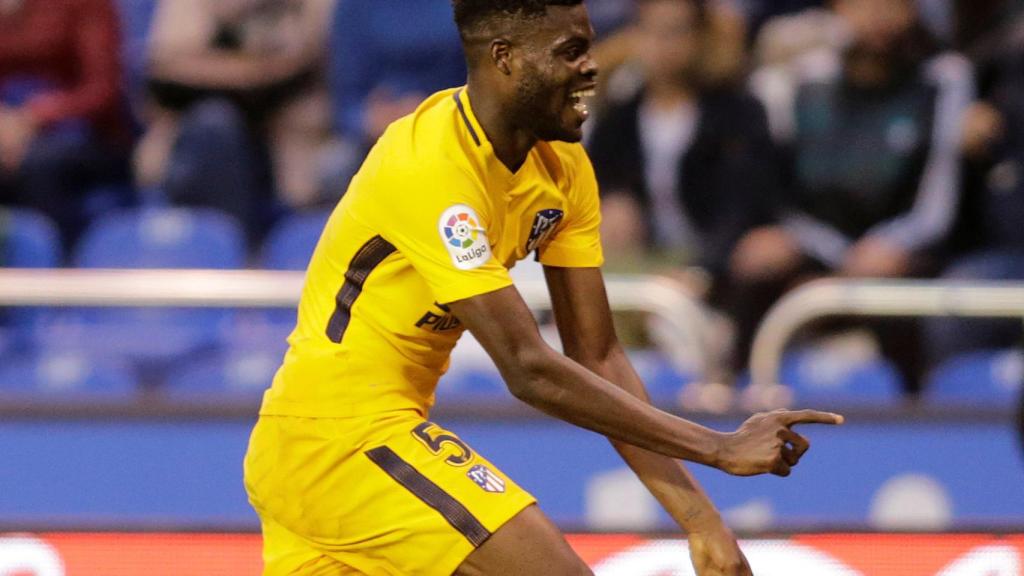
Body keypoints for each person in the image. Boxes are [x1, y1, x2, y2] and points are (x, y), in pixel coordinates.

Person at [243, 2, 843, 575]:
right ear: (506, 58)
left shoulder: (563, 165)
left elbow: (599, 355)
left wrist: (701, 521)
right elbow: (528, 367)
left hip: (326, 451)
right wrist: (717, 447)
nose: (593, 64)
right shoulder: (429, 165)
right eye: (570, 50)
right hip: (340, 438)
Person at [136, 0, 341, 244]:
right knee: (214, 122)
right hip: (190, 140)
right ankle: (219, 248)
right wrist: (248, 72)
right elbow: (163, 68)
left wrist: (218, 68)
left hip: (289, 139)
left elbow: (301, 64)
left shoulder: (313, 7)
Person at [0, 0, 132, 249]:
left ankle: (52, 270)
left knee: (39, 163)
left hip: (87, 137)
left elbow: (102, 91)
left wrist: (34, 117)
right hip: (9, 128)